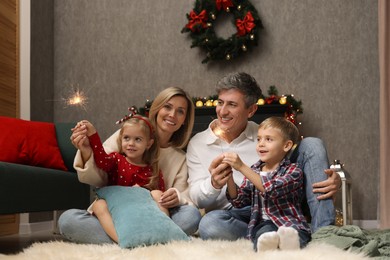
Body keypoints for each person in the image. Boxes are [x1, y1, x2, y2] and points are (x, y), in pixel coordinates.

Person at [186, 72, 339, 241]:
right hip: (235, 214)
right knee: (210, 224)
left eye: (232, 105)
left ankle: (324, 234)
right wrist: (213, 184)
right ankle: (274, 235)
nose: (222, 111)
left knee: (312, 144)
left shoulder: (265, 138)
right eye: (220, 103)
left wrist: (330, 178)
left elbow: (291, 173)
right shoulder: (198, 143)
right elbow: (197, 199)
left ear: (251, 110)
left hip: (278, 205)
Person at [58, 87, 201, 244]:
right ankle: (143, 239)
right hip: (115, 213)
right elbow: (99, 173)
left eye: (180, 111)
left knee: (191, 216)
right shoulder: (128, 135)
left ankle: (133, 239)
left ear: (185, 120)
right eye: (167, 107)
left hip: (151, 215)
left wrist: (176, 196)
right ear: (157, 109)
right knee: (67, 220)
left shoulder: (179, 158)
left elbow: (183, 196)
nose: (172, 115)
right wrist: (86, 150)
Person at [224, 117, 311, 251]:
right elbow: (239, 201)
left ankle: (290, 245)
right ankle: (272, 247)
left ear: (286, 145)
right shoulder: (255, 170)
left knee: (297, 235)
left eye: (268, 139)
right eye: (259, 139)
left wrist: (241, 166)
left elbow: (270, 189)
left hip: (289, 222)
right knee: (263, 235)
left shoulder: (293, 170)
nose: (261, 144)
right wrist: (229, 177)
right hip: (265, 223)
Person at [79, 115, 167, 243]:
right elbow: (101, 160)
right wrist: (93, 135)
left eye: (138, 139)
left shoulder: (153, 170)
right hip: (117, 213)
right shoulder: (116, 160)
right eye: (126, 138)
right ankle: (123, 241)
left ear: (148, 143)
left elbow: (161, 197)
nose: (131, 143)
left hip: (141, 215)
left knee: (158, 194)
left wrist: (143, 192)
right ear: (121, 140)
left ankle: (163, 232)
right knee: (98, 205)